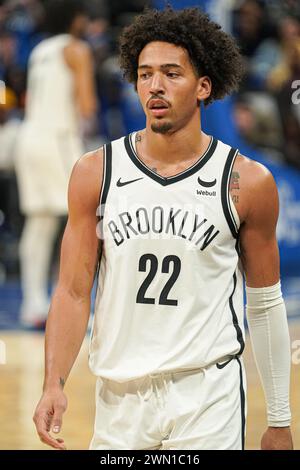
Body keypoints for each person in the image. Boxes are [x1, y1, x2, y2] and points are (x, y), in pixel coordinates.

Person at [33, 7, 293, 450]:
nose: (155, 85)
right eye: (145, 73)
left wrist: (280, 418)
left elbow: (265, 305)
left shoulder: (247, 182)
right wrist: (53, 383)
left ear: (203, 86)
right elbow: (74, 292)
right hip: (120, 397)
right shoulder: (96, 172)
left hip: (207, 394)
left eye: (172, 73)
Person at [15, 0, 97, 328]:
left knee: (40, 223)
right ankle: (81, 308)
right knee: (87, 220)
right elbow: (87, 105)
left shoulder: (39, 50)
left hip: (29, 136)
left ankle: (32, 304)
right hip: (59, 139)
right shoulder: (77, 49)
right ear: (75, 19)